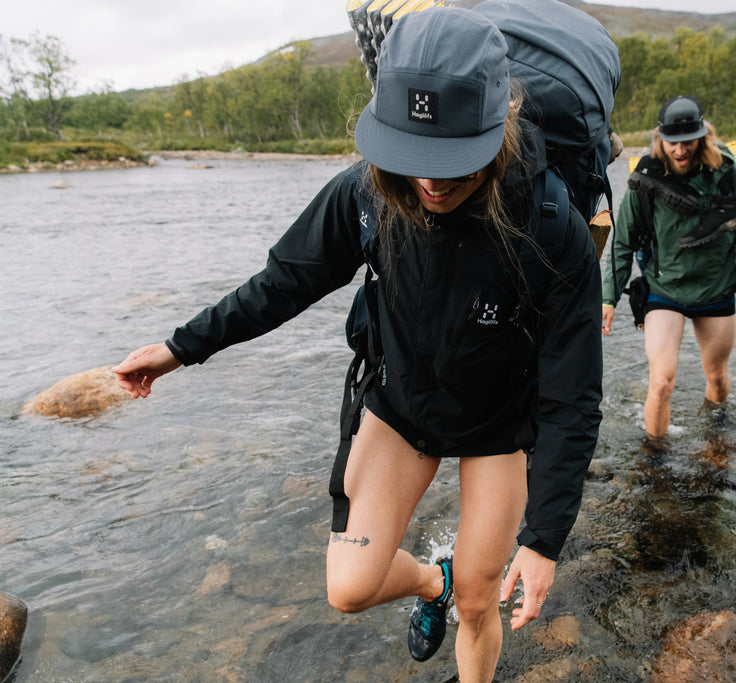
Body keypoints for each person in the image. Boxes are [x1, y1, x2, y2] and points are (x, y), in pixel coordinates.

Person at [112, 9, 603, 682]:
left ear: (499, 126)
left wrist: (545, 537)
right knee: (348, 587)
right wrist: (179, 348)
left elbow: (571, 394)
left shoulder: (551, 228)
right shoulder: (366, 195)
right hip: (400, 407)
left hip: (496, 426)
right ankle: (433, 581)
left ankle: (461, 610)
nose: (429, 181)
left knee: (480, 600)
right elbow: (282, 284)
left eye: (451, 158)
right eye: (414, 157)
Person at [601, 95, 736, 442]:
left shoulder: (730, 175)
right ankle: (654, 460)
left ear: (702, 137)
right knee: (662, 381)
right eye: (672, 143)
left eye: (687, 143)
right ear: (660, 138)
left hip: (716, 289)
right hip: (663, 290)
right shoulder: (645, 181)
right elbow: (622, 243)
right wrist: (608, 299)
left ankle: (715, 443)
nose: (680, 151)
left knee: (715, 376)